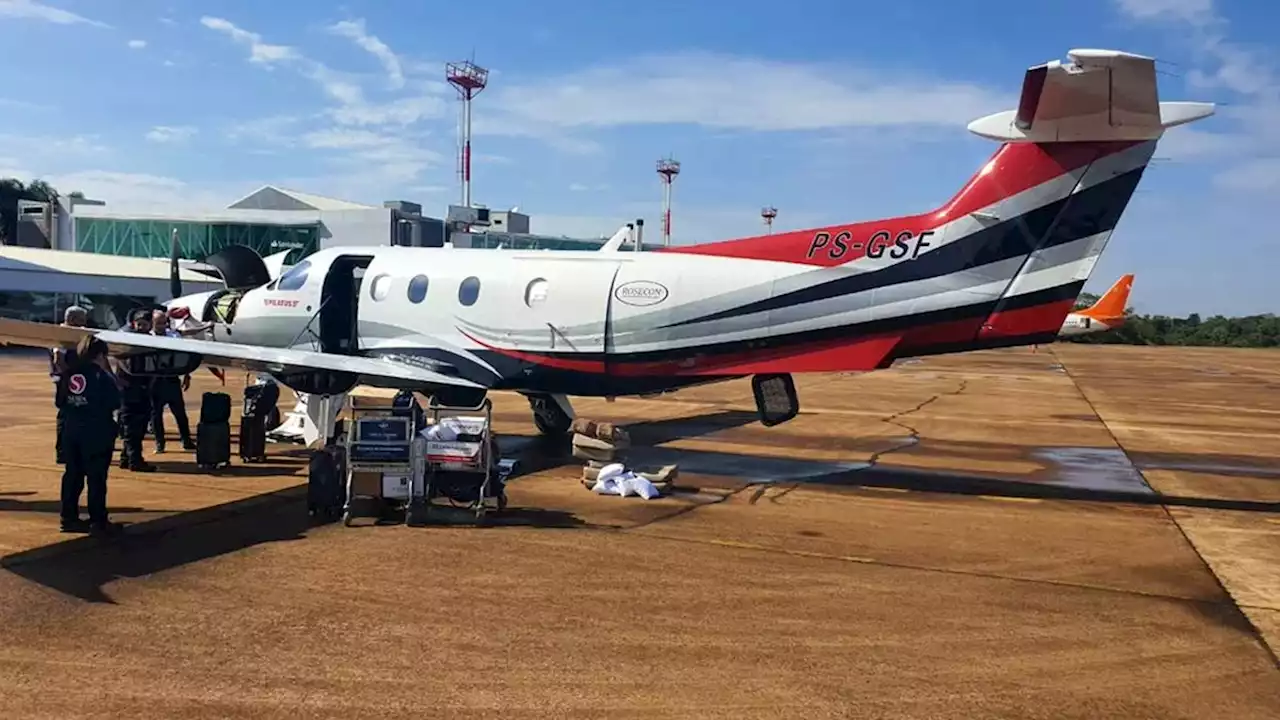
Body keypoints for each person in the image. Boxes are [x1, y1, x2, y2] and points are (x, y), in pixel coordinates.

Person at [56, 335, 124, 535]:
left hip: (72, 429)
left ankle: (68, 517)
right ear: (101, 355)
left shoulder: (69, 374)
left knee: (72, 475)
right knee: (96, 478)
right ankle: (98, 520)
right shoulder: (101, 376)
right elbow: (114, 402)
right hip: (96, 431)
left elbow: (60, 402)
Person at [149, 309, 195, 453]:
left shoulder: (174, 336)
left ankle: (186, 441)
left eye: (164, 323)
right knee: (155, 415)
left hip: (171, 379)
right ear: (153, 323)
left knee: (180, 412)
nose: (162, 326)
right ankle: (159, 443)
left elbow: (184, 356)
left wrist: (187, 375)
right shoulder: (147, 337)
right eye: (159, 323)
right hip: (155, 381)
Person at [115, 310, 156, 472]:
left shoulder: (151, 342)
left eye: (144, 325)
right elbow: (121, 360)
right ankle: (135, 460)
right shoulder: (127, 340)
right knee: (133, 426)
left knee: (138, 424)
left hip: (143, 388)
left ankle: (126, 457)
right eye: (139, 324)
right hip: (130, 388)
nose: (141, 327)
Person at [51, 305, 89, 463]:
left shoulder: (73, 333)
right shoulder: (63, 334)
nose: (84, 323)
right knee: (66, 417)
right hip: (67, 382)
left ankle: (72, 450)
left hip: (75, 381)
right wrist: (71, 379)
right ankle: (62, 452)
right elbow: (58, 359)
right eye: (81, 320)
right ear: (72, 319)